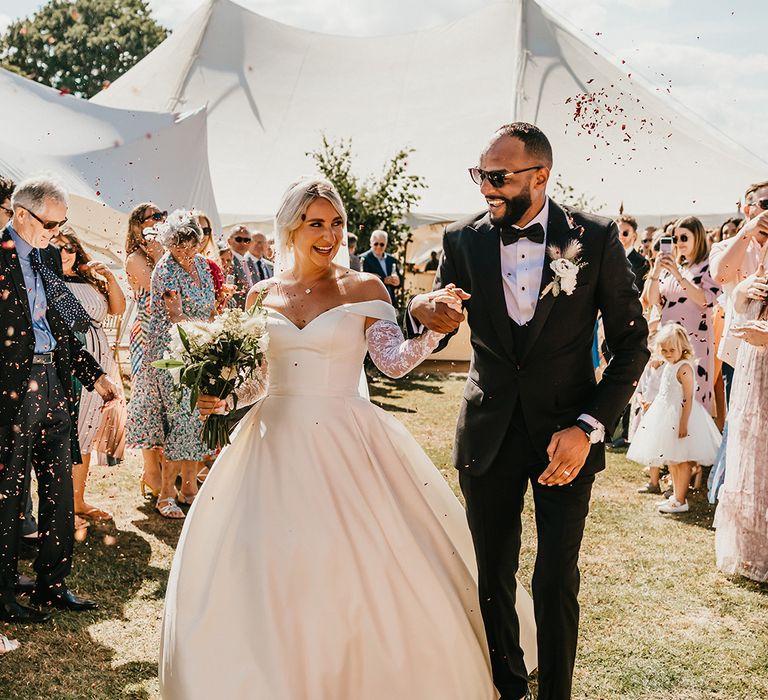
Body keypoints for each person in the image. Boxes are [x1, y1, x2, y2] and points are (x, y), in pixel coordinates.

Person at [159, 178, 537, 699]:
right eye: (316, 223)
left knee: (358, 561)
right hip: (271, 440)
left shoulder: (365, 288)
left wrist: (434, 330)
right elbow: (259, 379)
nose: (329, 234)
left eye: (336, 223)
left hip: (346, 437)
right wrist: (221, 398)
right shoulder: (259, 295)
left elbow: (393, 362)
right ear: (291, 226)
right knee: (265, 562)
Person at [408, 123, 649, 700]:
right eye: (480, 174)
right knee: (491, 575)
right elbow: (440, 324)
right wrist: (423, 311)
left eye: (498, 176)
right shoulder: (462, 241)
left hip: (564, 437)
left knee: (556, 578)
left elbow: (631, 344)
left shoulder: (592, 238)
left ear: (540, 176)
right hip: (487, 430)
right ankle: (508, 688)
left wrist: (589, 429)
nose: (485, 186)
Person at [0, 177, 120, 622]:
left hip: (55, 381)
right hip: (12, 387)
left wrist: (95, 376)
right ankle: (4, 592)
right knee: (9, 493)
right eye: (50, 223)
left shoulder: (49, 256)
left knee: (59, 490)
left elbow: (66, 327)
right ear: (20, 215)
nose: (56, 232)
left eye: (61, 223)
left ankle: (52, 585)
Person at [126, 211, 216, 519]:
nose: (183, 250)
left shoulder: (203, 266)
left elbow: (210, 308)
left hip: (200, 351)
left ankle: (189, 489)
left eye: (189, 243)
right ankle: (165, 495)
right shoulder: (164, 271)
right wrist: (205, 327)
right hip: (170, 356)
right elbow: (175, 319)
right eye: (177, 244)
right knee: (182, 422)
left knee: (197, 423)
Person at [54, 227, 127, 522]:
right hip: (72, 362)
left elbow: (117, 308)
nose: (65, 253)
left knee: (88, 428)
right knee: (71, 429)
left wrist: (108, 278)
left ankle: (78, 500)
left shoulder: (88, 281)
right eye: (58, 247)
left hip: (100, 363)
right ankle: (63, 504)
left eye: (70, 248)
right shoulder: (48, 282)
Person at [627, 324, 721, 513]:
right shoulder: (668, 365)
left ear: (682, 348)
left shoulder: (684, 367)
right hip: (665, 416)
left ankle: (680, 499)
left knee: (682, 460)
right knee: (671, 458)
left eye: (672, 350)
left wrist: (683, 423)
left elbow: (687, 399)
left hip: (680, 417)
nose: (668, 353)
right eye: (664, 350)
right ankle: (675, 497)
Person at [715, 259, 768, 581]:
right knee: (752, 459)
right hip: (755, 376)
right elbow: (721, 272)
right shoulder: (761, 253)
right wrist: (740, 296)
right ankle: (753, 551)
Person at [647, 215, 721, 413]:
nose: (679, 243)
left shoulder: (707, 267)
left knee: (692, 394)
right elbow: (653, 299)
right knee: (666, 393)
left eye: (684, 238)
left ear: (697, 237)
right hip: (668, 340)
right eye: (675, 238)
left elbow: (705, 299)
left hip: (694, 341)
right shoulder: (673, 267)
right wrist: (656, 270)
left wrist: (679, 277)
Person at [125, 203, 167, 499]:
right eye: (155, 217)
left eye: (163, 216)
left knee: (167, 404)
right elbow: (160, 288)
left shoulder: (164, 254)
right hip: (148, 337)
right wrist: (158, 253)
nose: (161, 220)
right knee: (149, 404)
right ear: (138, 224)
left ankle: (163, 469)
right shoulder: (135, 258)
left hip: (169, 336)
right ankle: (151, 471)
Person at [361, 229, 401, 305]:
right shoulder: (363, 259)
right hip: (372, 302)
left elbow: (400, 280)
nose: (379, 246)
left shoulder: (391, 260)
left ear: (386, 244)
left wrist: (398, 282)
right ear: (371, 243)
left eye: (382, 244)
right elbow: (361, 281)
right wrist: (383, 280)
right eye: (376, 244)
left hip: (389, 301)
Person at [616, 215, 650, 292]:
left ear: (634, 236)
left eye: (625, 233)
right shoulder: (608, 259)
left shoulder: (643, 264)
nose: (620, 236)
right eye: (617, 232)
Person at [226, 225, 252, 308]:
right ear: (229, 241)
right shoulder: (227, 261)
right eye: (239, 239)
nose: (243, 243)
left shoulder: (249, 262)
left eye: (247, 240)